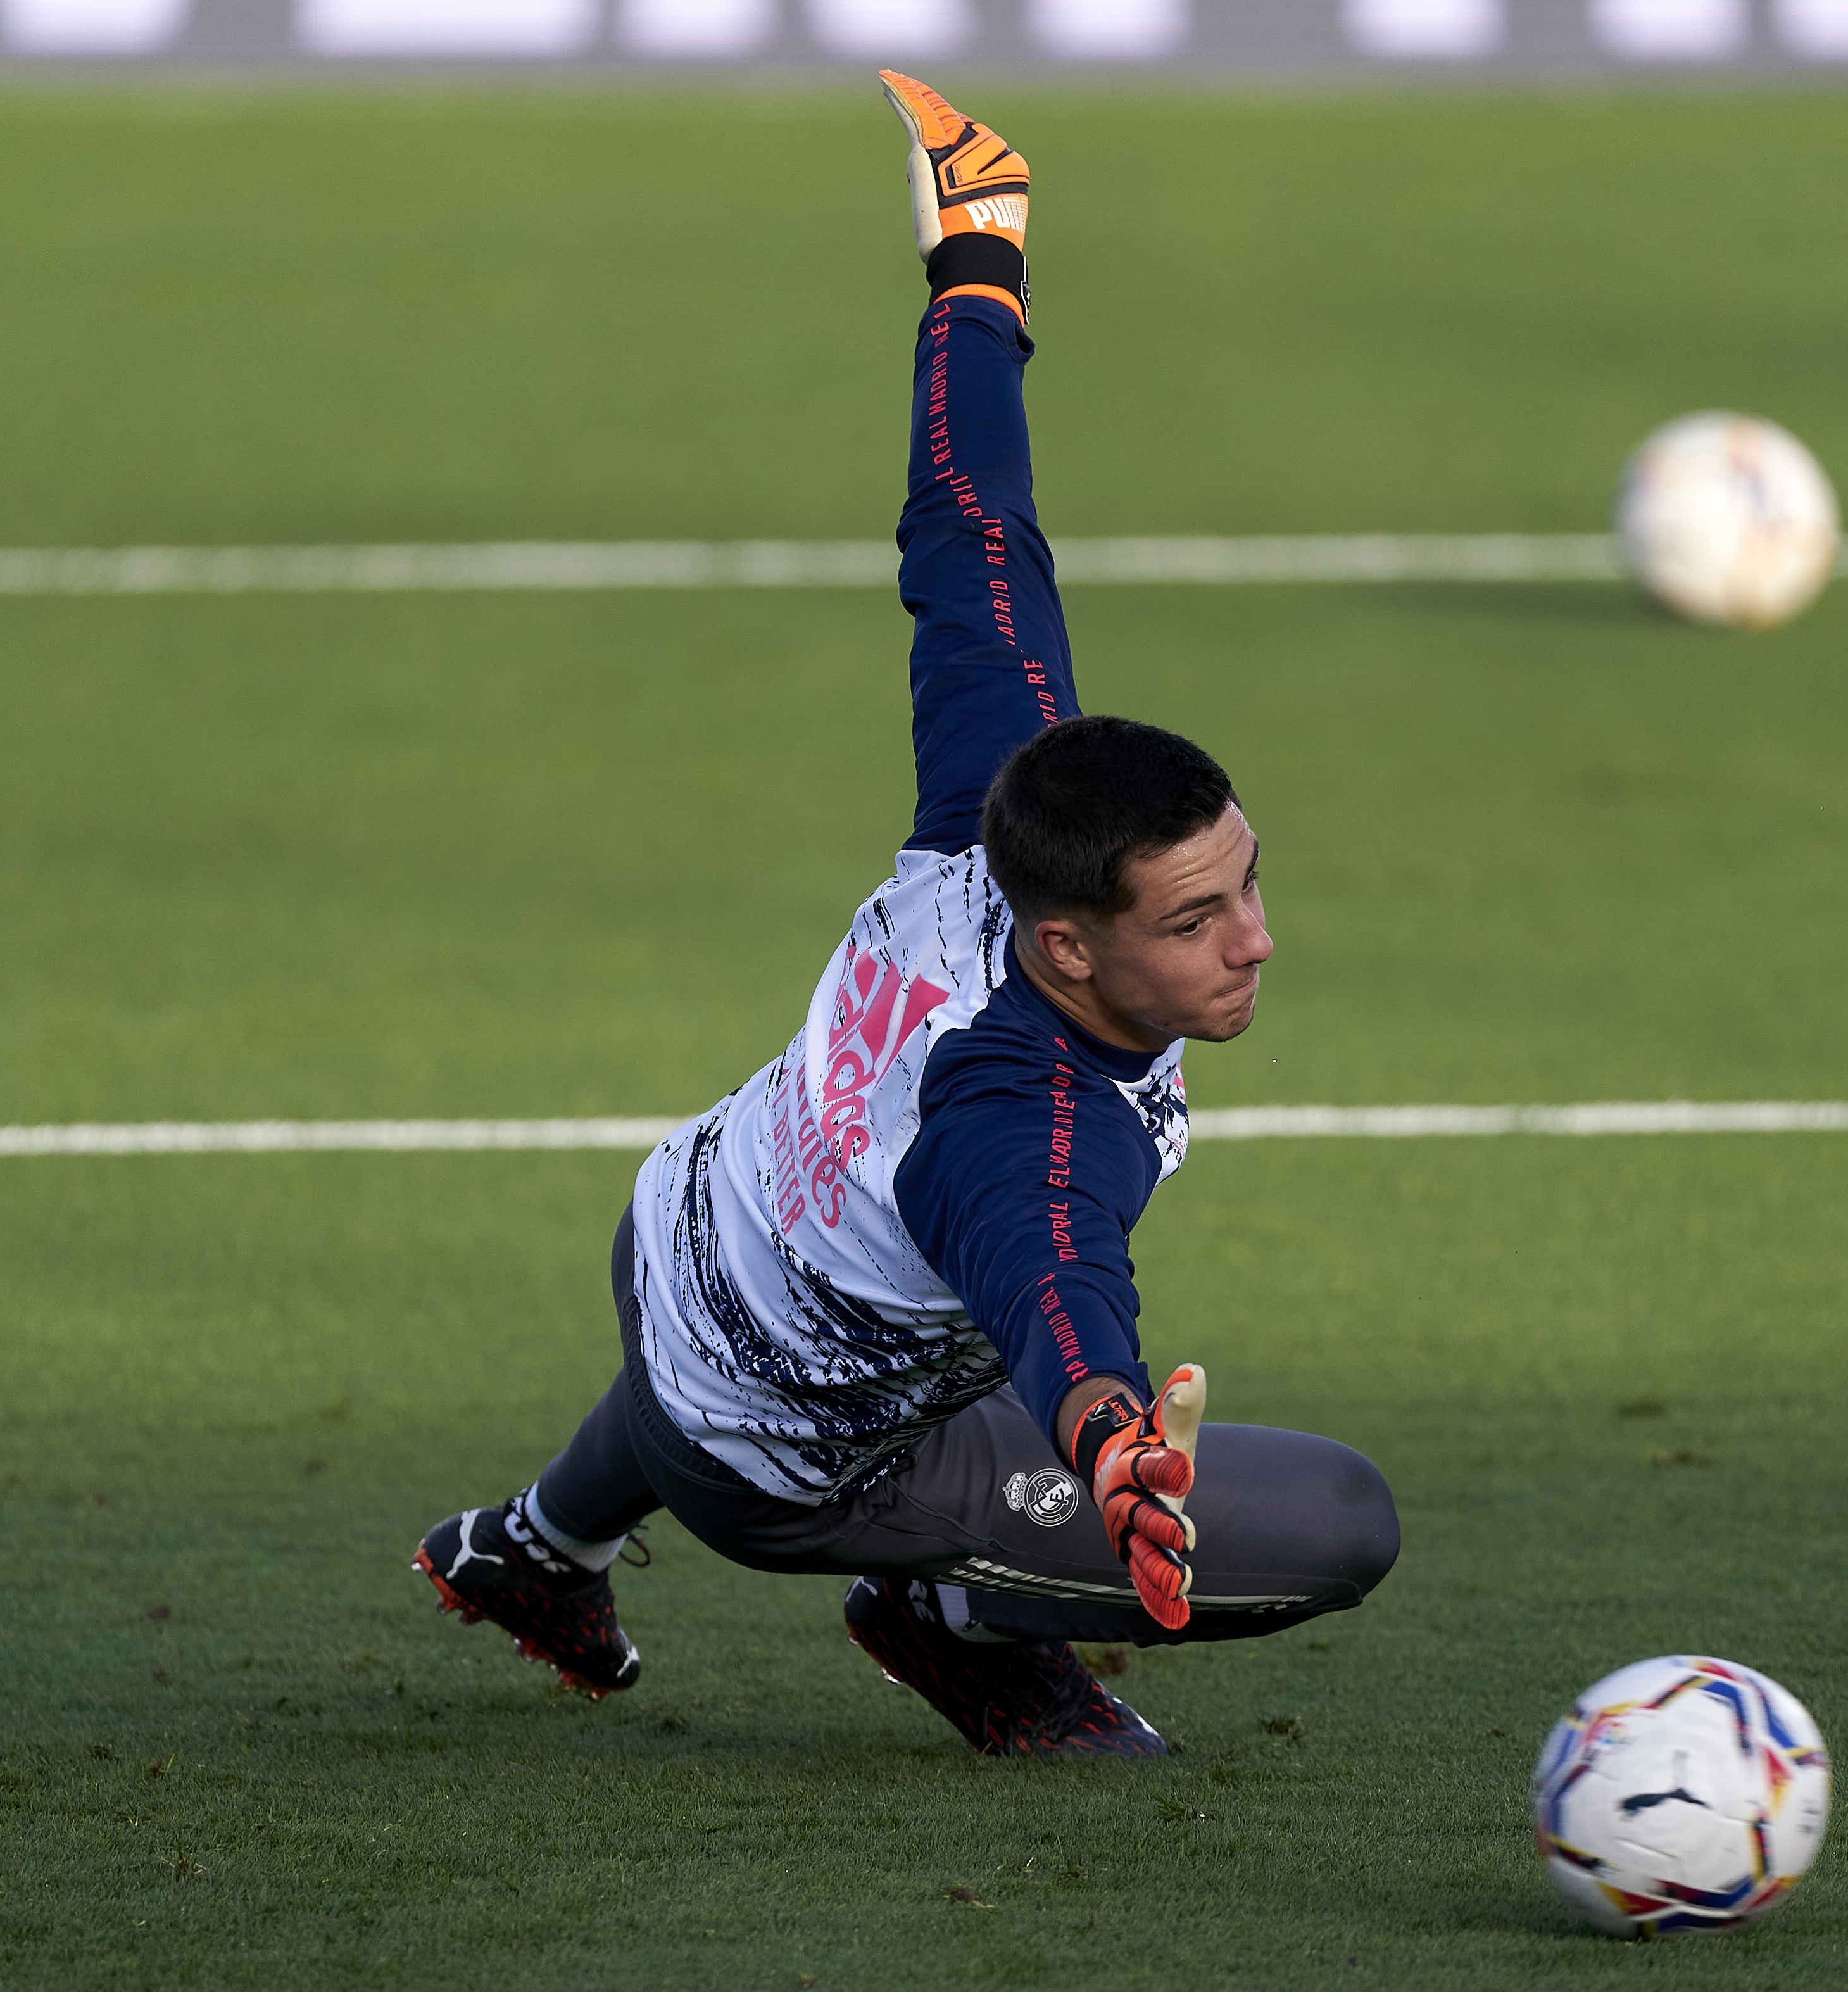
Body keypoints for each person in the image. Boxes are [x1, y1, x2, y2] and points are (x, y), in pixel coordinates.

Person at [412, 72, 1399, 1760]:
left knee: (791, 1298)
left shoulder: (994, 818)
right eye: (1198, 918)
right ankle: (950, 1614)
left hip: (682, 1229)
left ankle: (533, 1544)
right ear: (1073, 946)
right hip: (791, 1466)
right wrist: (1106, 1443)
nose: (1255, 939)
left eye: (1250, 882)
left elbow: (972, 531)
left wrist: (977, 273)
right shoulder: (1019, 1108)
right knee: (1339, 1520)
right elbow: (1051, 1260)